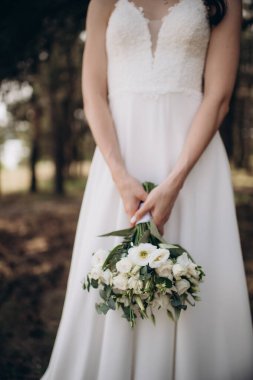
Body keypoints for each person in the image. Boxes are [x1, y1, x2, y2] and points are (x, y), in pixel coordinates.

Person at [41, 0, 253, 379]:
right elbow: (94, 95)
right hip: (118, 158)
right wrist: (120, 176)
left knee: (195, 275)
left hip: (193, 160)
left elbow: (218, 97)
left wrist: (175, 181)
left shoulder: (223, 2)